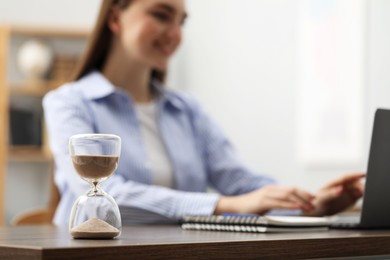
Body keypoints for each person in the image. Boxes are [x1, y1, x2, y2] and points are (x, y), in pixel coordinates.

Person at [43, 0, 364, 225]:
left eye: (181, 21)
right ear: (115, 18)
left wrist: (306, 203)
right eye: (161, 14)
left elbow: (241, 183)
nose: (175, 33)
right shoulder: (68, 103)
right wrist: (220, 206)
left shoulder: (187, 110)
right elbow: (102, 195)